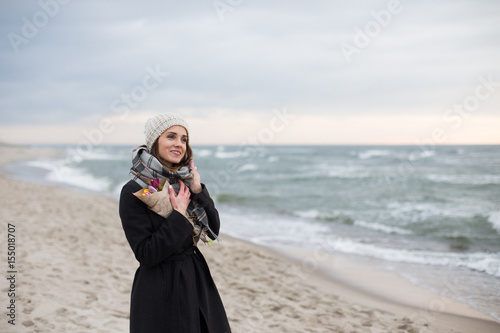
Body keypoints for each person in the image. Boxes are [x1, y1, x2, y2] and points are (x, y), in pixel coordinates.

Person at [119, 113, 231, 333]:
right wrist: (178, 217)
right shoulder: (135, 190)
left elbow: (213, 231)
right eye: (171, 136)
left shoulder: (185, 184)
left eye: (183, 139)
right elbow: (146, 253)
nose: (179, 144)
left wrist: (199, 190)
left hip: (194, 278)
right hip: (159, 286)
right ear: (155, 142)